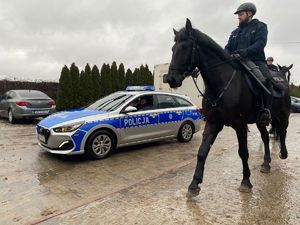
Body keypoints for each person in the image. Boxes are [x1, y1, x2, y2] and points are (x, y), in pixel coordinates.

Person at [225, 2, 273, 125]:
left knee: (266, 79)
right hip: (236, 61)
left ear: (249, 14)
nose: (239, 17)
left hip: (256, 61)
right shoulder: (235, 32)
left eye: (241, 14)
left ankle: (265, 110)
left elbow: (260, 43)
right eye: (238, 15)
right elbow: (228, 48)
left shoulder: (260, 26)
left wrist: (244, 53)